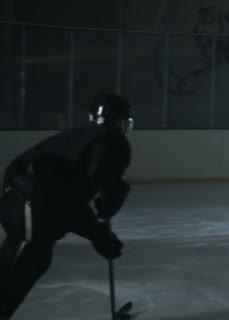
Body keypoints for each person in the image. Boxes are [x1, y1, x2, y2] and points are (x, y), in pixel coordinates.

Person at [0, 93, 134, 319]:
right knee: (28, 261)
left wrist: (98, 229)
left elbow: (66, 199)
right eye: (123, 120)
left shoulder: (81, 136)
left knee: (31, 258)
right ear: (117, 120)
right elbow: (65, 202)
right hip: (32, 202)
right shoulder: (110, 141)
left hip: (24, 199)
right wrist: (99, 233)